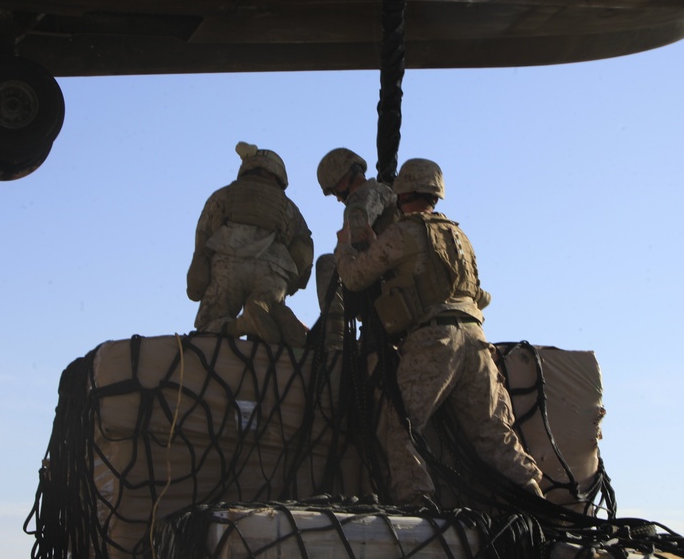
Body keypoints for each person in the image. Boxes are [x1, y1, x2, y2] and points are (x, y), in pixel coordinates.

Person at [333, 158, 544, 505]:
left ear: (401, 193)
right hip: (476, 340)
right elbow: (480, 294)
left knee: (402, 423)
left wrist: (345, 246)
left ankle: (417, 499)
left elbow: (355, 276)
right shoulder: (461, 236)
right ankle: (535, 503)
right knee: (493, 434)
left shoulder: (404, 232)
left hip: (434, 340)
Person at [187, 141, 313, 346]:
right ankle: (279, 315)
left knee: (208, 328)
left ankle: (242, 325)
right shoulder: (290, 208)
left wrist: (196, 282)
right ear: (278, 175)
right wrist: (290, 286)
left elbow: (202, 239)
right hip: (273, 272)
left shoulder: (222, 195)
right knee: (269, 332)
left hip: (228, 266)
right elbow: (303, 251)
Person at [314, 148, 398, 348]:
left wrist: (343, 254)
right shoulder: (385, 192)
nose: (337, 198)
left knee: (328, 263)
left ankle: (335, 340)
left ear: (343, 178)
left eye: (334, 191)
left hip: (384, 277)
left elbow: (357, 233)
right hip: (394, 274)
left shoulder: (365, 195)